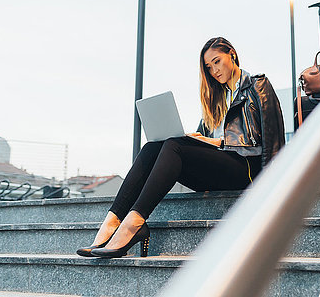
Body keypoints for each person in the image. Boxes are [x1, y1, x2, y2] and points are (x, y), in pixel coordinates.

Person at [77, 37, 285, 258]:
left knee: (174, 145)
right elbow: (201, 145)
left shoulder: (256, 84)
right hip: (220, 171)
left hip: (248, 171)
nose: (214, 70)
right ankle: (112, 223)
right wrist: (197, 139)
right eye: (209, 67)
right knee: (153, 147)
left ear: (231, 54)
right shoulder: (218, 98)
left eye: (217, 61)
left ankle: (134, 223)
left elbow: (271, 140)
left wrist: (215, 143)